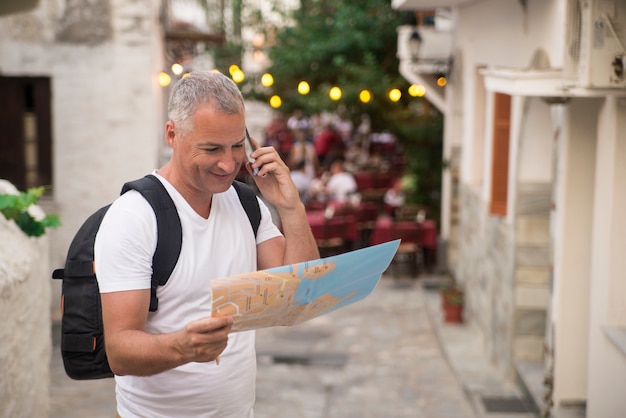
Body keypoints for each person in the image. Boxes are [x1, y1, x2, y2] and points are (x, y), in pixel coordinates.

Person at [94, 71, 319, 418]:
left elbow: (298, 296)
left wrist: (291, 206)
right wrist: (182, 346)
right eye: (212, 148)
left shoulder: (246, 204)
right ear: (172, 134)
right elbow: (120, 351)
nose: (229, 164)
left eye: (236, 146)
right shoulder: (134, 218)